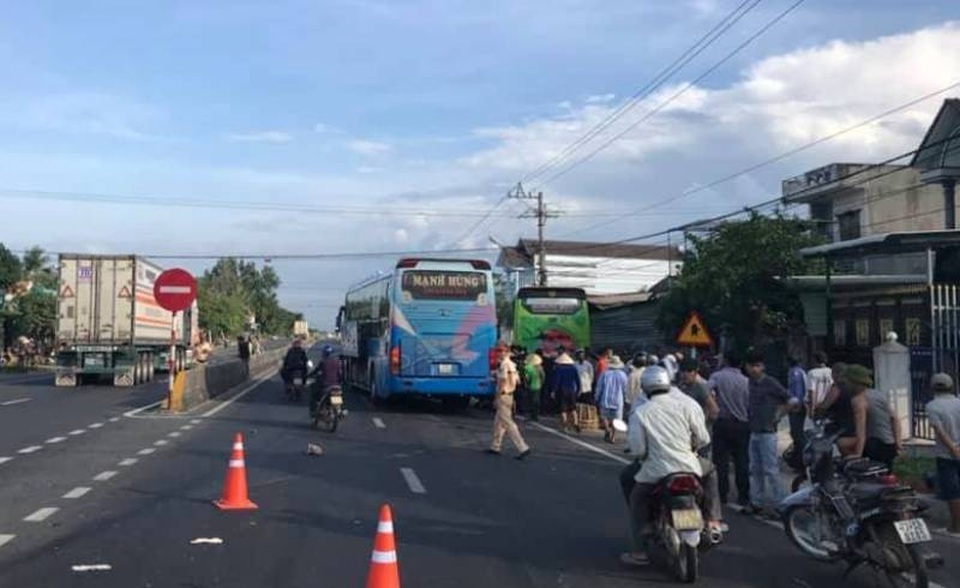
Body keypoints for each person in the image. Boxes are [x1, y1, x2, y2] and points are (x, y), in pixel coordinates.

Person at [620, 366, 722, 567]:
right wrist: (690, 447)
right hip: (690, 465)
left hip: (655, 470)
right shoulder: (687, 405)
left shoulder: (641, 412)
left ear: (645, 387)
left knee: (636, 496)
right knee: (710, 470)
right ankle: (712, 520)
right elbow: (703, 438)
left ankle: (640, 549)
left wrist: (644, 453)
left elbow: (638, 449)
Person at [743, 350, 789, 517]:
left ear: (762, 366)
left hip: (768, 432)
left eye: (757, 366)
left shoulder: (770, 383)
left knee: (770, 469)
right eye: (751, 366)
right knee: (755, 469)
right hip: (754, 430)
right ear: (747, 367)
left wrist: (778, 416)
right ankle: (757, 502)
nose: (754, 369)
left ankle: (781, 505)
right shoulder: (748, 383)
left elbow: (789, 400)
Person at [708, 351, 751, 507]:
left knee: (721, 462)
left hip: (723, 423)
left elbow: (706, 390)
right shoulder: (746, 381)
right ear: (741, 364)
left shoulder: (717, 376)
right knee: (742, 461)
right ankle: (743, 496)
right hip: (743, 425)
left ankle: (722, 494)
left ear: (725, 361)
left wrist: (712, 407)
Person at [926, 373, 960, 535]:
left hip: (946, 455)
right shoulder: (958, 403)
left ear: (932, 387)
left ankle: (956, 528)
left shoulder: (932, 406)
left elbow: (940, 432)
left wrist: (954, 450)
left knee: (953, 492)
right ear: (951, 386)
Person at [487, 343, 531, 459]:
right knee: (499, 422)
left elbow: (502, 381)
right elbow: (518, 381)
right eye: (498, 351)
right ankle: (495, 446)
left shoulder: (504, 365)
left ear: (506, 352)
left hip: (503, 395)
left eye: (501, 351)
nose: (499, 353)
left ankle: (522, 447)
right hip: (509, 395)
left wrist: (497, 396)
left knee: (507, 422)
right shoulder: (512, 364)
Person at [832, 364, 872, 459]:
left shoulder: (858, 400)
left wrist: (857, 454)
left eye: (846, 382)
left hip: (873, 440)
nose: (845, 385)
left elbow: (861, 432)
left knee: (840, 443)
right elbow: (894, 418)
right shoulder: (875, 394)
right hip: (884, 440)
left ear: (854, 382)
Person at [863, 382, 903, 471]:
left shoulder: (859, 398)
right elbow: (895, 418)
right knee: (886, 472)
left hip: (874, 442)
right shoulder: (879, 395)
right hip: (888, 441)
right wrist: (898, 442)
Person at [595, 355, 628, 443]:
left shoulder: (605, 374)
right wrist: (626, 398)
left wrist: (596, 397)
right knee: (616, 419)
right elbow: (625, 388)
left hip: (605, 399)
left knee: (604, 416)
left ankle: (607, 430)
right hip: (618, 400)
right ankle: (613, 436)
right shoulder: (623, 375)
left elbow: (599, 387)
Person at [678, 358, 719, 424]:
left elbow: (714, 409)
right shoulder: (680, 386)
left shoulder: (700, 386)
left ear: (695, 372)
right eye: (683, 371)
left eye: (689, 371)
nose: (685, 374)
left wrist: (705, 424)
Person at [786, 356, 809, 468]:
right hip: (800, 404)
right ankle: (798, 456)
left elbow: (797, 391)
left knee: (796, 433)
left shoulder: (794, 373)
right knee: (797, 432)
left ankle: (801, 458)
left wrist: (796, 405)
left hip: (796, 405)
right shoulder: (802, 372)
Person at [554, 349, 582, 433]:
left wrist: (554, 391)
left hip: (562, 391)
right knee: (573, 408)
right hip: (572, 390)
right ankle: (576, 423)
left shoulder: (559, 369)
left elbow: (557, 381)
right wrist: (579, 389)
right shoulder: (573, 369)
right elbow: (578, 380)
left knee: (563, 409)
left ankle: (565, 426)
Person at [309, 345, 341, 417]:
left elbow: (316, 371)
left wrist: (309, 375)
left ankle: (314, 411)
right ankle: (338, 410)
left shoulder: (323, 362)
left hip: (325, 385)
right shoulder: (337, 362)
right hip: (336, 385)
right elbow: (339, 374)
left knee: (313, 392)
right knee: (337, 397)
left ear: (324, 353)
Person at [524, 353, 545, 422]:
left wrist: (527, 384)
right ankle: (536, 415)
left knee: (531, 402)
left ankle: (532, 416)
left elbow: (527, 378)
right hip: (538, 386)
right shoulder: (540, 368)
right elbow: (543, 377)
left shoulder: (528, 368)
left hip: (531, 386)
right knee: (536, 402)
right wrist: (541, 383)